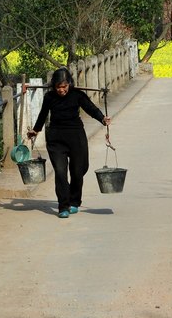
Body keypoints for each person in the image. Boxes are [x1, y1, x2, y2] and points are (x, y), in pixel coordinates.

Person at [27, 67, 111, 218]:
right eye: (58, 87)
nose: (61, 90)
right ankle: (63, 206)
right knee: (60, 172)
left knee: (79, 170)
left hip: (76, 136)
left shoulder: (77, 95)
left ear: (69, 85)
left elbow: (90, 108)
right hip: (55, 138)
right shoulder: (49, 97)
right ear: (54, 86)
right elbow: (42, 115)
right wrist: (35, 130)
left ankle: (74, 200)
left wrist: (102, 119)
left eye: (64, 86)